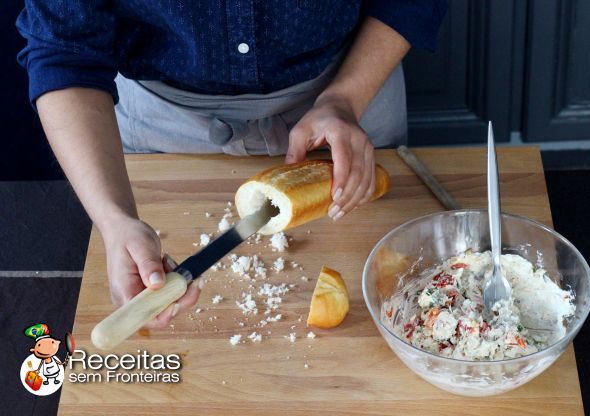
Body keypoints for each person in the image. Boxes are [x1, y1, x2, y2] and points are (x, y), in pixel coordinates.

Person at [17, 1, 447, 327]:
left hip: (350, 95)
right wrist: (114, 219)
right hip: (160, 120)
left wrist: (345, 98)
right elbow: (63, 51)